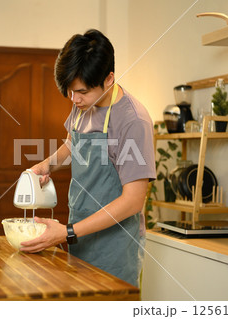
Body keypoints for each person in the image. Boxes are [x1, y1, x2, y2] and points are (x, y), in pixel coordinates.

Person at [20, 29, 156, 287]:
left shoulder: (132, 121)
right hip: (79, 235)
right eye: (70, 92)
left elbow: (133, 200)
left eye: (80, 92)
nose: (74, 99)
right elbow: (72, 144)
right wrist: (47, 165)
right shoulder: (82, 105)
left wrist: (67, 232)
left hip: (114, 245)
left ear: (109, 79)